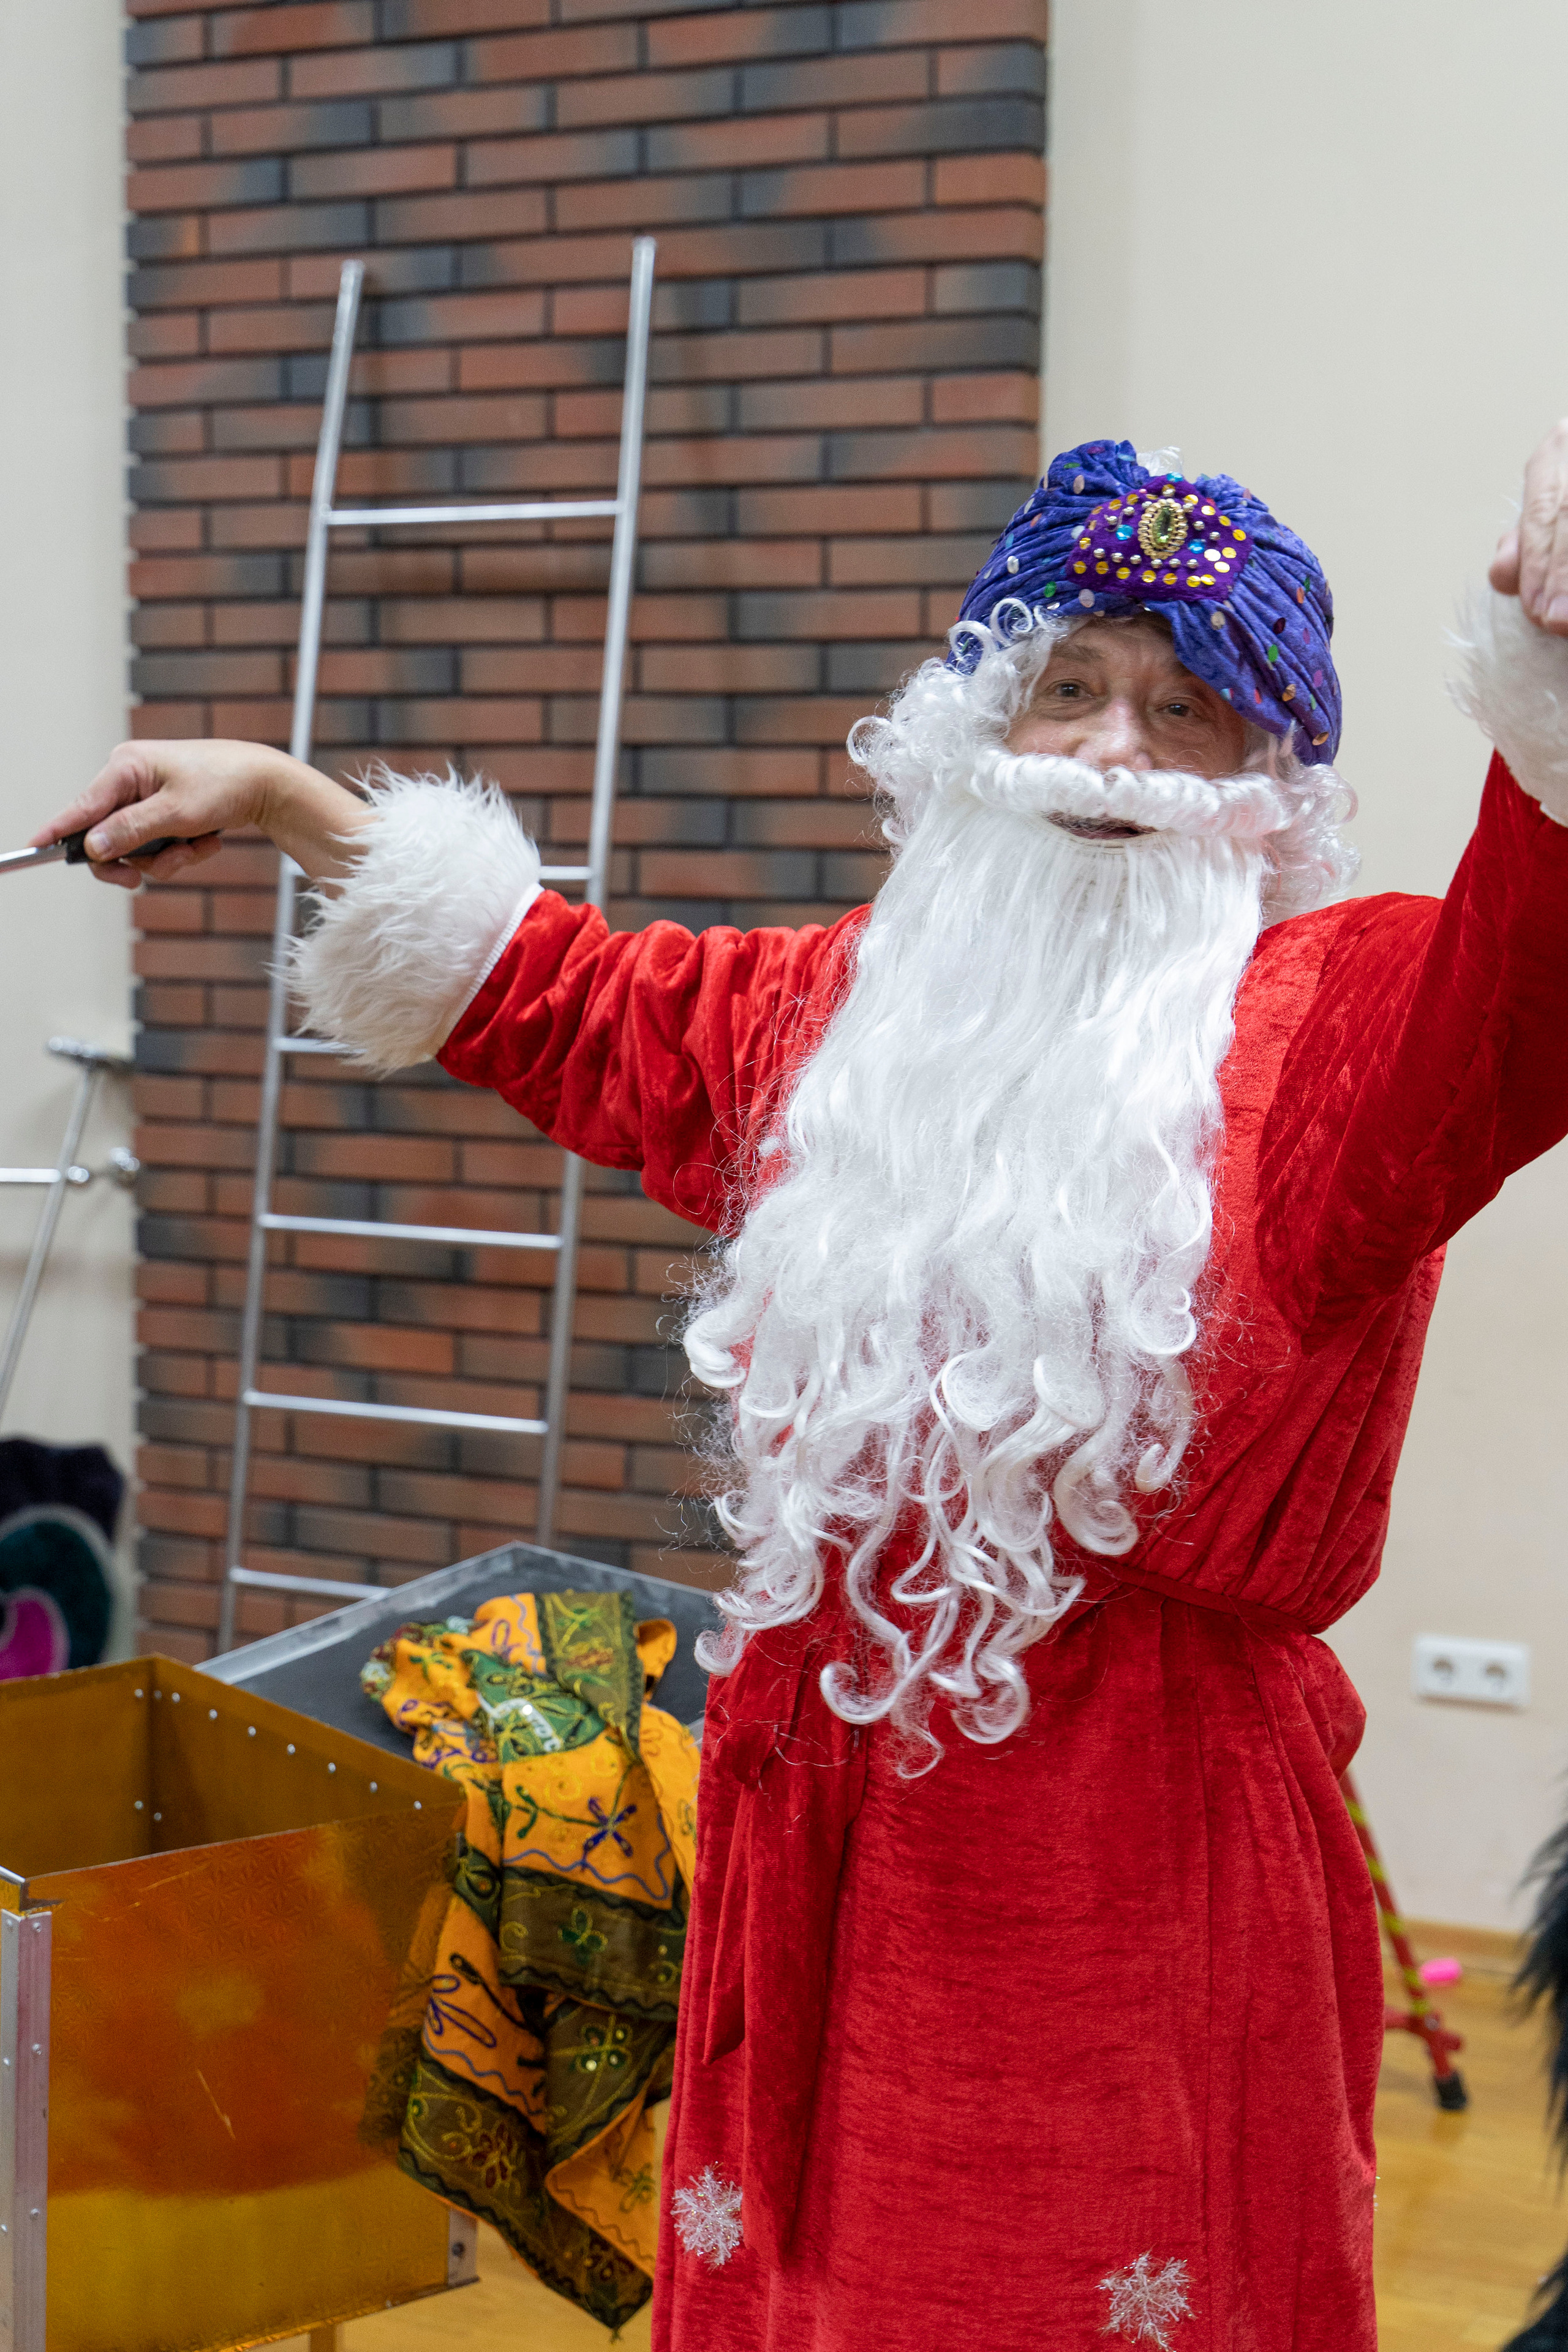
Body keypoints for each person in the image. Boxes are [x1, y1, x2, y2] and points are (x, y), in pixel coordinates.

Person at [46, 424, 1568, 2351]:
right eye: (1067, 686)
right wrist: (281, 802)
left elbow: (1535, 981)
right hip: (826, 1850)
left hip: (1136, 1873)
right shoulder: (859, 1026)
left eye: (1184, 713)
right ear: (969, 729)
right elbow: (564, 993)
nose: (1106, 752)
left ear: (1270, 786)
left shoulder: (1348, 1031)